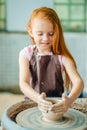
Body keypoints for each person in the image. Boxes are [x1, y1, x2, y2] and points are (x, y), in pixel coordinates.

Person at [19, 7, 84, 114]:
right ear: (31, 32)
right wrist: (38, 99)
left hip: (57, 107)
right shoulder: (26, 54)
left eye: (51, 34)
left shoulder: (62, 56)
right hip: (32, 104)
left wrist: (69, 101)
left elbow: (79, 82)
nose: (45, 38)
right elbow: (23, 83)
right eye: (40, 34)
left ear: (57, 32)